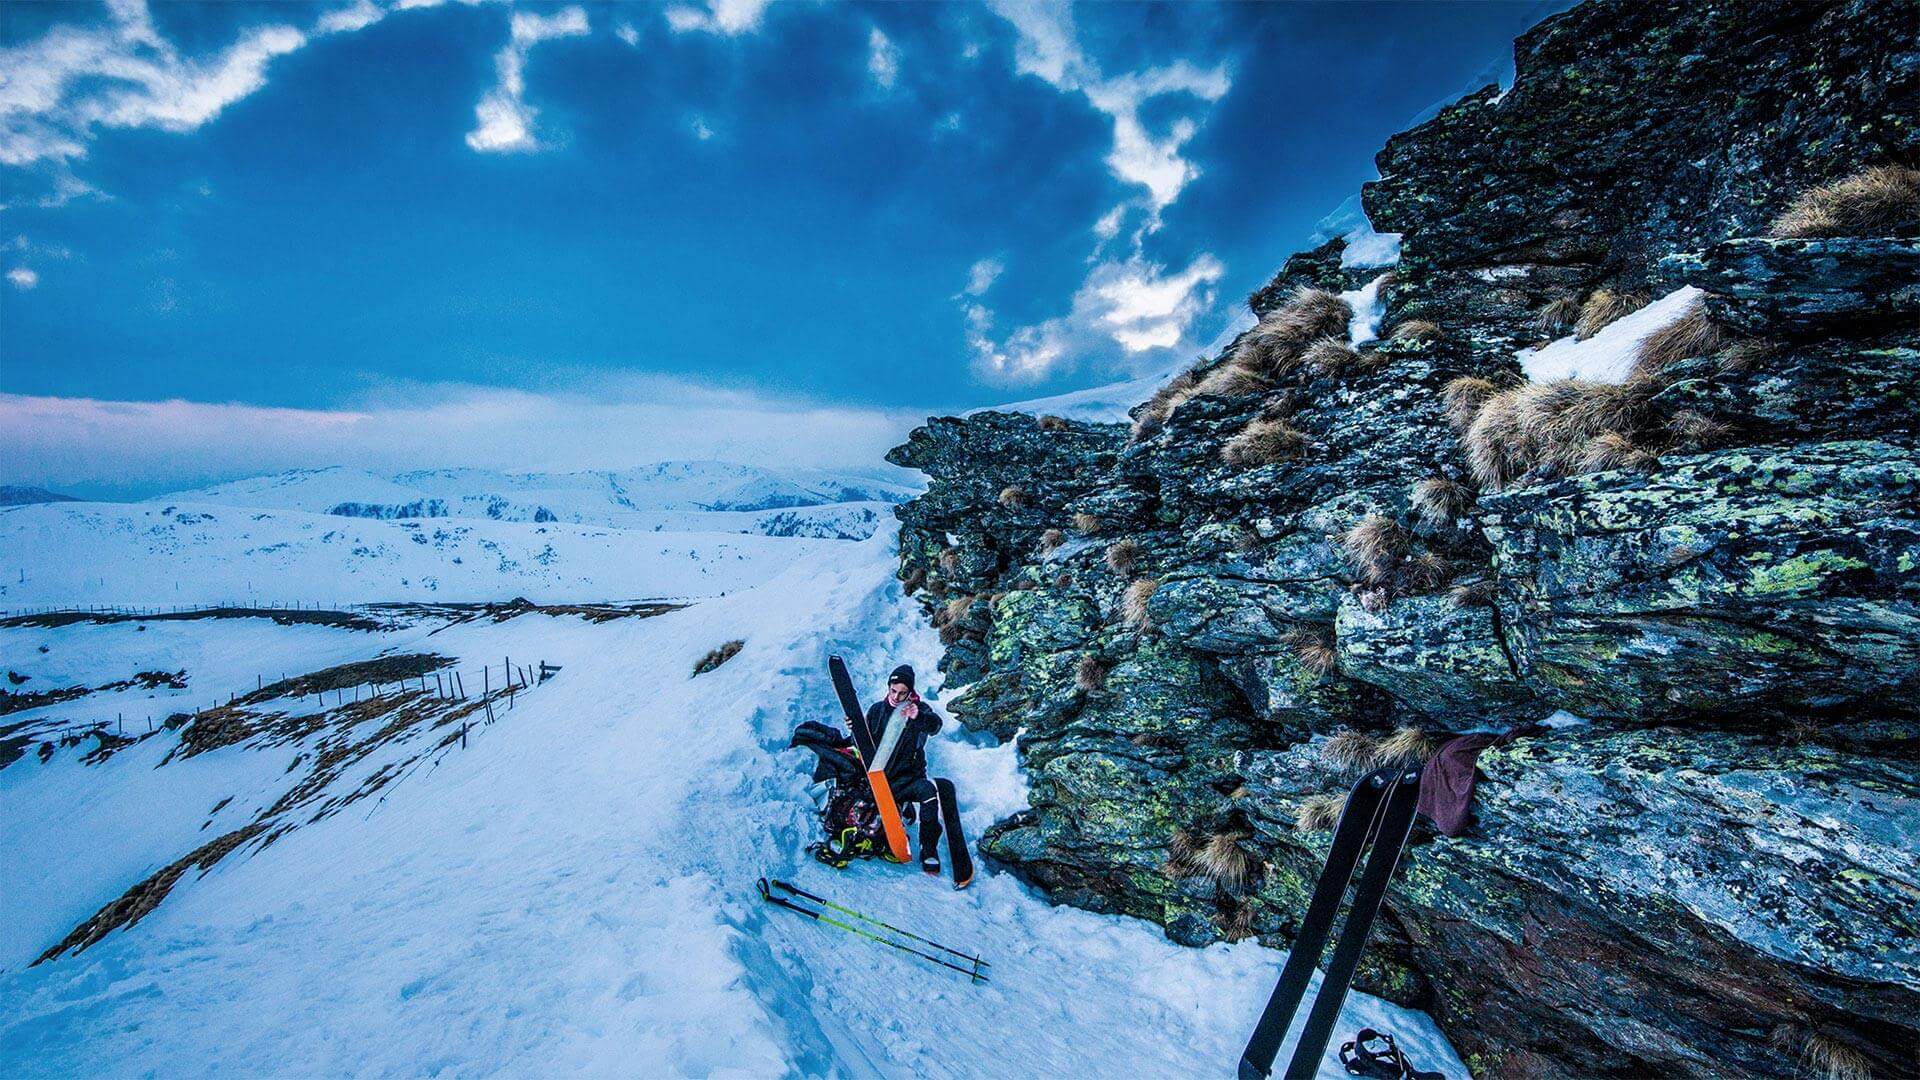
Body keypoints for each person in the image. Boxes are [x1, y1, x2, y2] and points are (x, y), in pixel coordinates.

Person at [864, 664, 946, 875]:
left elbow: (935, 726)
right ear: (888, 687)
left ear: (910, 692)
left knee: (929, 792)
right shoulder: (876, 710)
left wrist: (918, 717)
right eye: (893, 691)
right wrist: (854, 728)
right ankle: (901, 805)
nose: (896, 697)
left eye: (902, 693)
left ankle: (928, 848)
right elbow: (863, 744)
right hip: (882, 780)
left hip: (909, 778)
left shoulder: (920, 710)